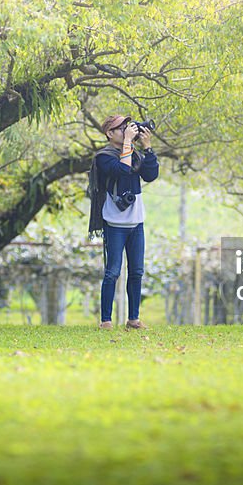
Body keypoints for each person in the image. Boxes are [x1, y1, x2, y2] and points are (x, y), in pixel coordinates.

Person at [87, 114, 159, 330]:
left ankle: (133, 319)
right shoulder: (104, 157)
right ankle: (106, 320)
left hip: (136, 222)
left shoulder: (134, 154)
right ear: (110, 134)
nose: (127, 130)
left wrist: (147, 149)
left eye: (128, 127)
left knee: (136, 272)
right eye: (122, 128)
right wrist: (128, 142)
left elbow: (150, 175)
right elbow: (122, 170)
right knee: (113, 272)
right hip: (114, 223)